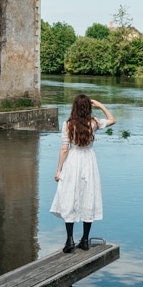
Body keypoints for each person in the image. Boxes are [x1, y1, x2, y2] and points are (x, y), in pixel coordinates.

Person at [50, 94, 116, 253]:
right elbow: (113, 120)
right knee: (88, 196)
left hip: (73, 161)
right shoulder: (93, 123)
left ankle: (69, 240)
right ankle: (85, 240)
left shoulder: (68, 124)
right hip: (89, 162)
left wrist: (59, 170)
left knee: (69, 197)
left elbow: (64, 149)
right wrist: (101, 105)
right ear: (88, 108)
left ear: (74, 108)